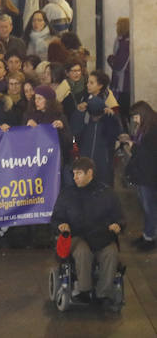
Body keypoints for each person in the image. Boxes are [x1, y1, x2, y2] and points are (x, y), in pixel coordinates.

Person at [51, 156, 124, 306]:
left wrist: (118, 225)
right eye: (74, 174)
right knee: (82, 251)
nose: (75, 177)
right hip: (77, 236)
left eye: (79, 173)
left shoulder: (107, 193)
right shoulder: (67, 194)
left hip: (101, 236)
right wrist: (61, 224)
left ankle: (104, 293)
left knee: (111, 252)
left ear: (90, 173)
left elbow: (119, 217)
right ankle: (84, 291)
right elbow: (56, 217)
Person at [119, 100, 157, 251]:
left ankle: (150, 238)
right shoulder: (144, 128)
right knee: (146, 206)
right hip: (142, 174)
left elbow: (147, 153)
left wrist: (132, 145)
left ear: (143, 114)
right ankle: (147, 234)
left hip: (149, 175)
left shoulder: (152, 130)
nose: (134, 120)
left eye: (136, 117)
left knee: (149, 207)